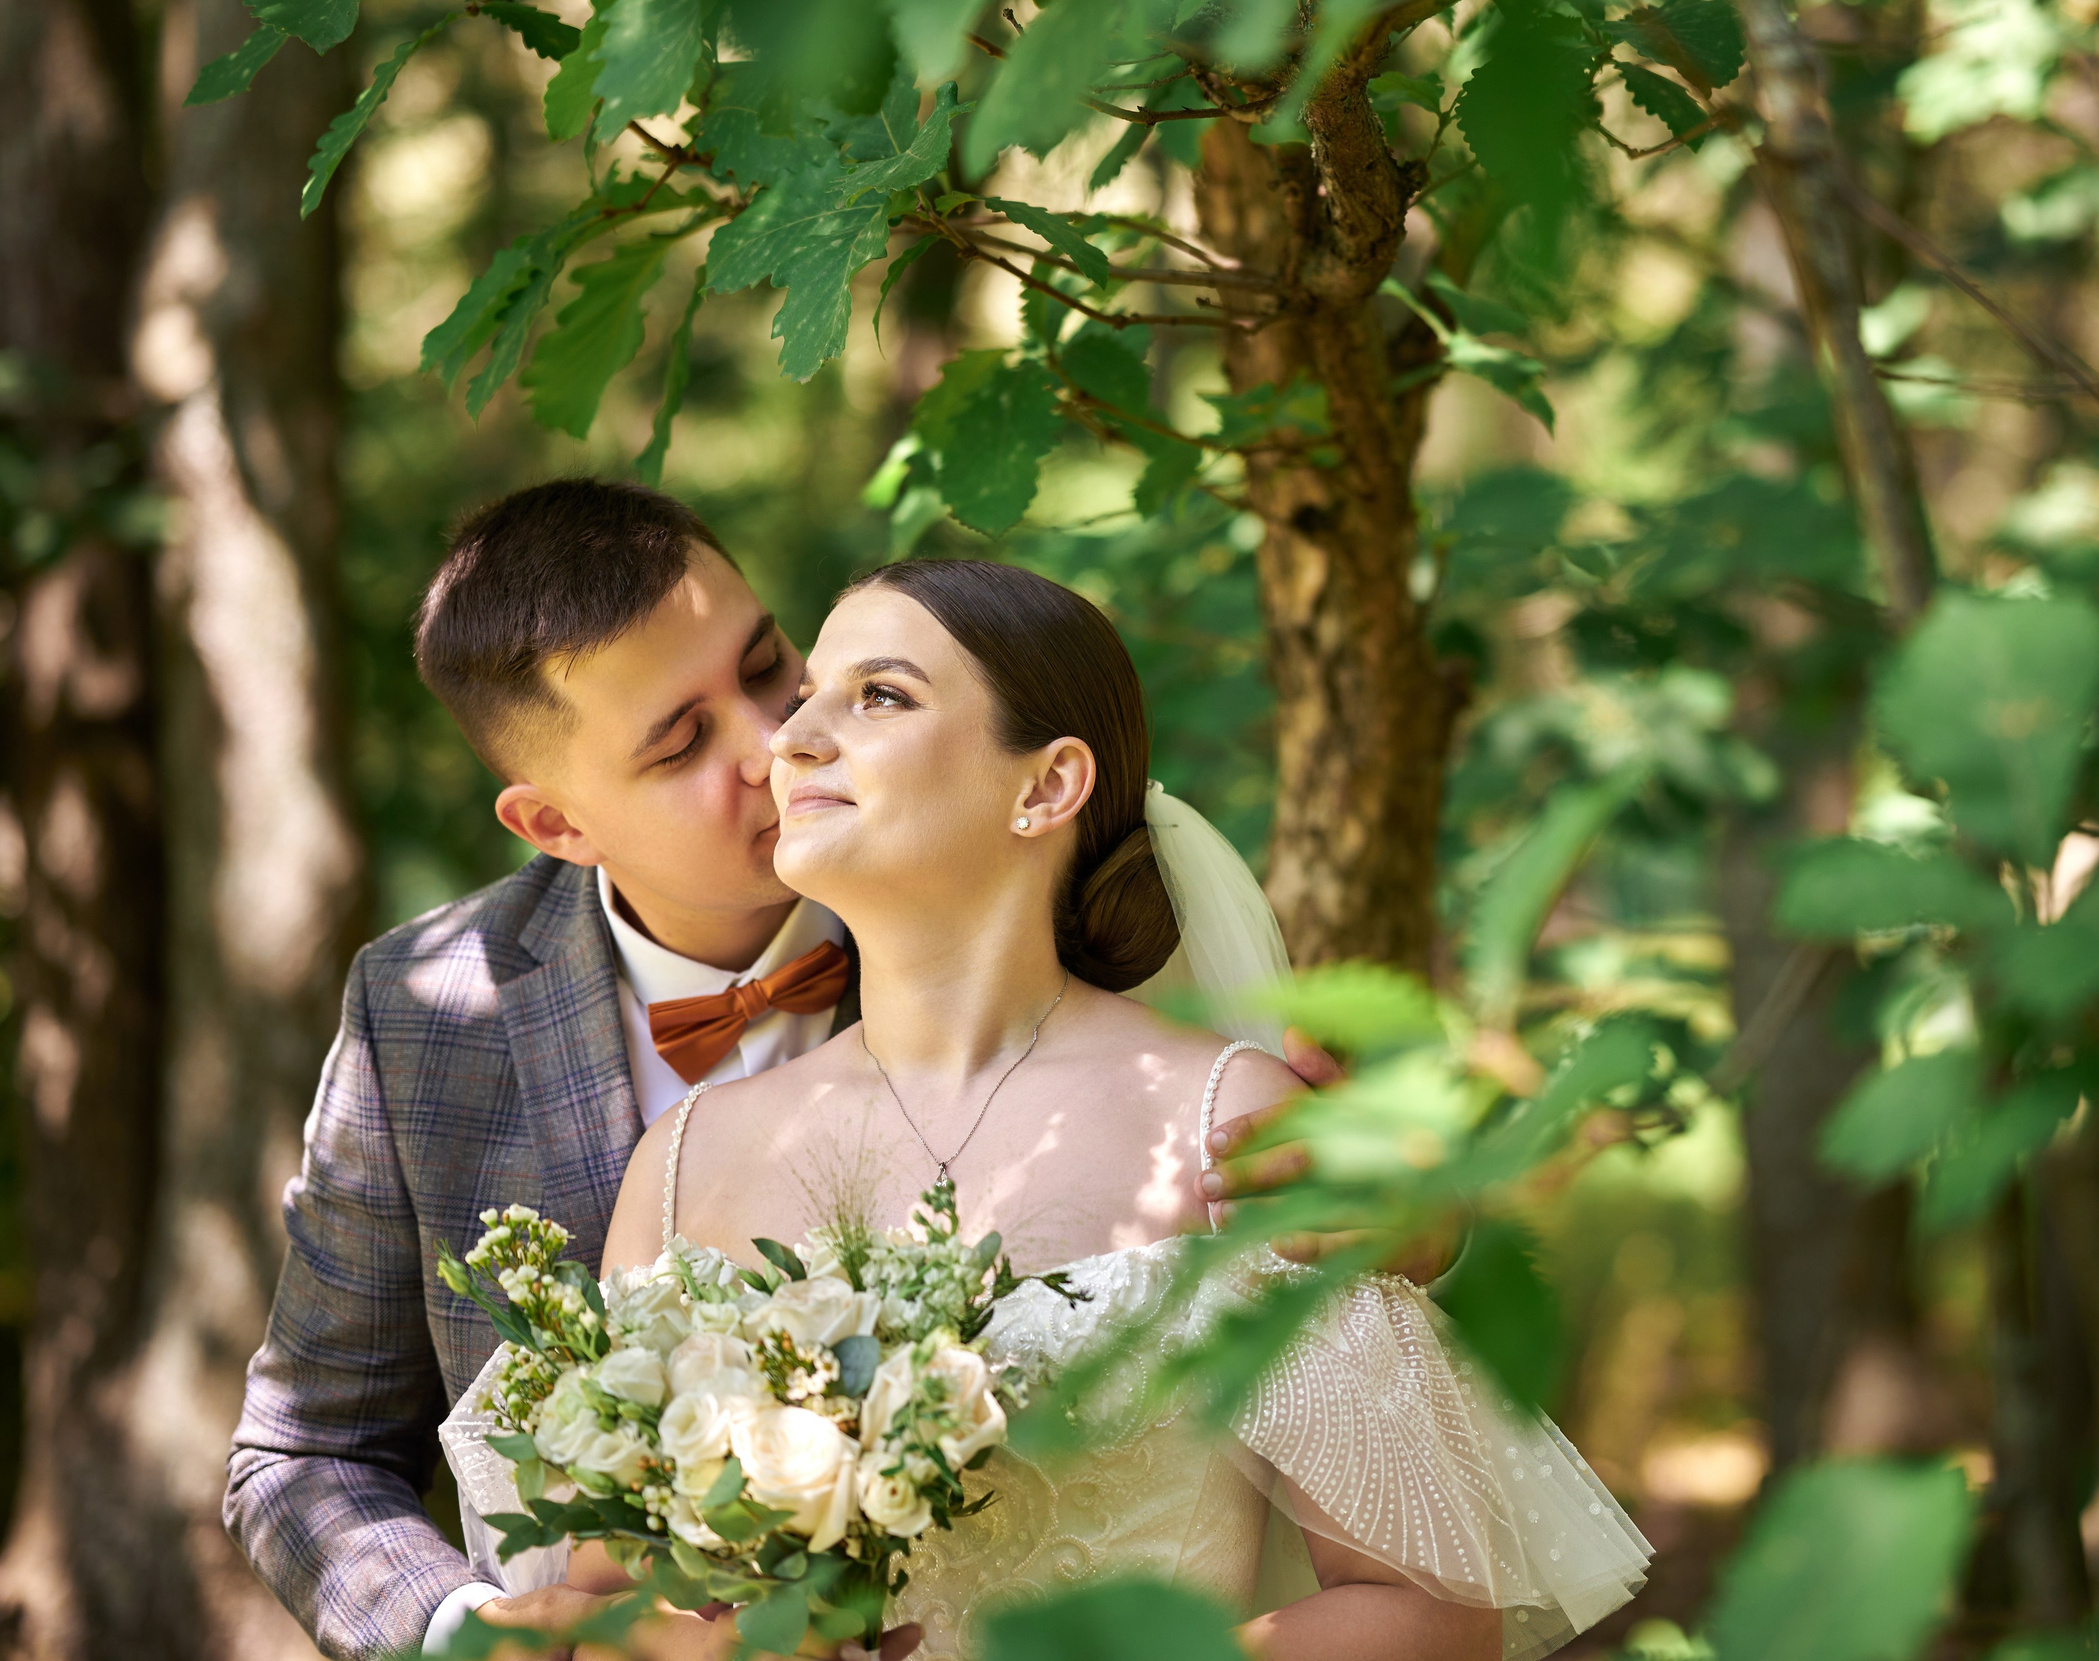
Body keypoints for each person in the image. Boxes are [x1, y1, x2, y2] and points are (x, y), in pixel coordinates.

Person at [220, 482, 1344, 1660]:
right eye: (682, 741)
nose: (772, 744)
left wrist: (1408, 1227)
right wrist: (477, 1637)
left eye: (766, 666)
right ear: (557, 824)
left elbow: (1279, 1222)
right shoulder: (427, 1013)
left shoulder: (988, 875)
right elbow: (306, 1450)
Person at [447, 560, 1649, 1659]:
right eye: (809, 693)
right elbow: (608, 1582)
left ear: (1047, 785)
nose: (788, 741)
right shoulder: (686, 1161)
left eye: (877, 696)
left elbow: (1432, 1607)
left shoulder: (1228, 1123)